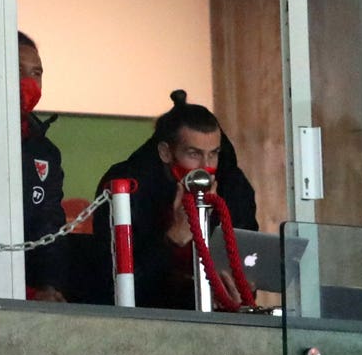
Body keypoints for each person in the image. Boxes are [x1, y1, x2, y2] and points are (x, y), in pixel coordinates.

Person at [91, 90, 258, 309]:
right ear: (165, 153)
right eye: (193, 154)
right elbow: (117, 285)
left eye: (213, 154)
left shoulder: (233, 185)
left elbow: (249, 257)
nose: (204, 167)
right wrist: (175, 236)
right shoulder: (127, 187)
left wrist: (242, 285)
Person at [18, 31, 67, 302]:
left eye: (36, 73)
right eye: (18, 71)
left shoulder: (46, 152)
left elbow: (50, 225)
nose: (29, 82)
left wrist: (50, 287)